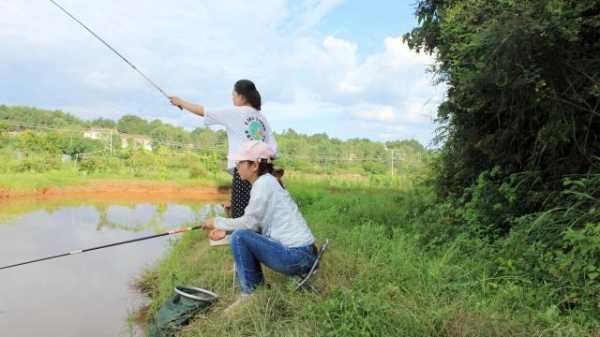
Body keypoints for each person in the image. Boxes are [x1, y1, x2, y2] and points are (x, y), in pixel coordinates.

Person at [200, 140, 317, 312]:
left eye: (239, 162)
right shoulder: (267, 182)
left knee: (240, 236)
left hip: (297, 257)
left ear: (254, 165)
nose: (236, 167)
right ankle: (255, 289)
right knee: (239, 236)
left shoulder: (263, 185)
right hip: (305, 255)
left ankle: (251, 292)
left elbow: (248, 224)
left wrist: (217, 222)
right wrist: (225, 233)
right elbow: (255, 228)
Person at [169, 79, 277, 224]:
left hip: (244, 168)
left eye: (233, 94)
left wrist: (180, 102)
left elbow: (202, 111)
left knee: (240, 212)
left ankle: (242, 239)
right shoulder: (262, 118)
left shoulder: (235, 112)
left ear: (241, 96)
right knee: (259, 210)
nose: (232, 98)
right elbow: (274, 149)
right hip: (263, 170)